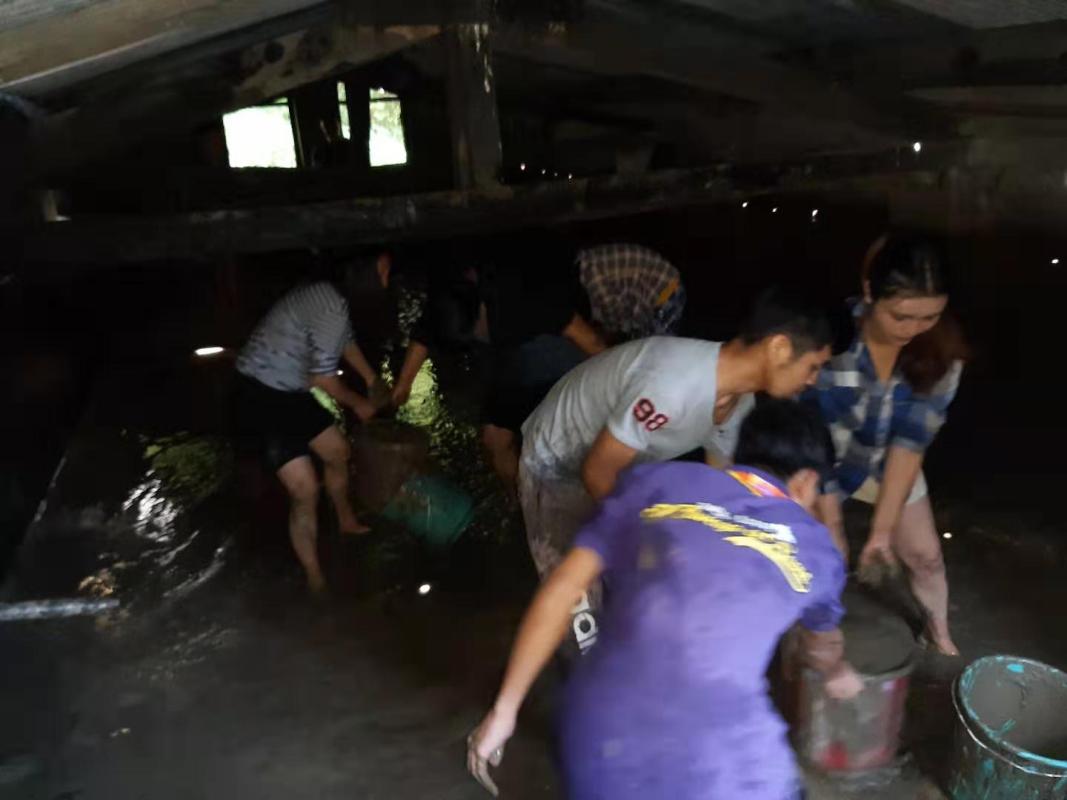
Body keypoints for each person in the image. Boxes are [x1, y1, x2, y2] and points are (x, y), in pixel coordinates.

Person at [467, 399, 864, 800]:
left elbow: (564, 587)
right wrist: (837, 671)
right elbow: (821, 645)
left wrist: (505, 710)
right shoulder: (816, 549)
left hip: (600, 737)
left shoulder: (655, 483)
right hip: (720, 763)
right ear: (806, 482)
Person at [518, 288, 832, 653]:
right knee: (580, 612)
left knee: (636, 592)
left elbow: (723, 493)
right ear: (779, 348)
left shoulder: (739, 405)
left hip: (621, 467)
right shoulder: (673, 382)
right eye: (813, 366)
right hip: (557, 466)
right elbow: (596, 472)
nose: (813, 380)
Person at [805, 234, 967, 657]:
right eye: (901, 316)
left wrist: (881, 533)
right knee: (815, 557)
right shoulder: (826, 337)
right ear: (869, 292)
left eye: (930, 316)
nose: (914, 330)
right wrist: (832, 523)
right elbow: (809, 437)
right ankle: (804, 639)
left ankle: (938, 631)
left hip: (885, 461)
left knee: (926, 555)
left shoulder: (942, 355)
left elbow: (910, 444)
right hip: (818, 459)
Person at [233, 252, 390, 594]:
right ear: (366, 273)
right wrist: (360, 404)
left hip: (290, 389)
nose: (387, 278)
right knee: (305, 489)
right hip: (260, 393)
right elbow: (323, 379)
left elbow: (345, 341)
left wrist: (371, 378)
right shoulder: (331, 304)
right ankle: (315, 578)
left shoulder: (333, 298)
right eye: (383, 270)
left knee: (338, 451)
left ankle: (346, 520)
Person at [391, 245, 607, 488]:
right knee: (494, 439)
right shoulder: (447, 298)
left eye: (474, 330)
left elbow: (590, 340)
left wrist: (617, 384)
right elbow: (425, 331)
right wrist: (403, 385)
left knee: (564, 437)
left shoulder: (522, 297)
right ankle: (520, 497)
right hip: (508, 361)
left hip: (554, 351)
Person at [577, 242, 686, 343]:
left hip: (665, 290)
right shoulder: (588, 262)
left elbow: (612, 310)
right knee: (642, 343)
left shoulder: (589, 273)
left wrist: (608, 333)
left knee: (655, 347)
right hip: (665, 287)